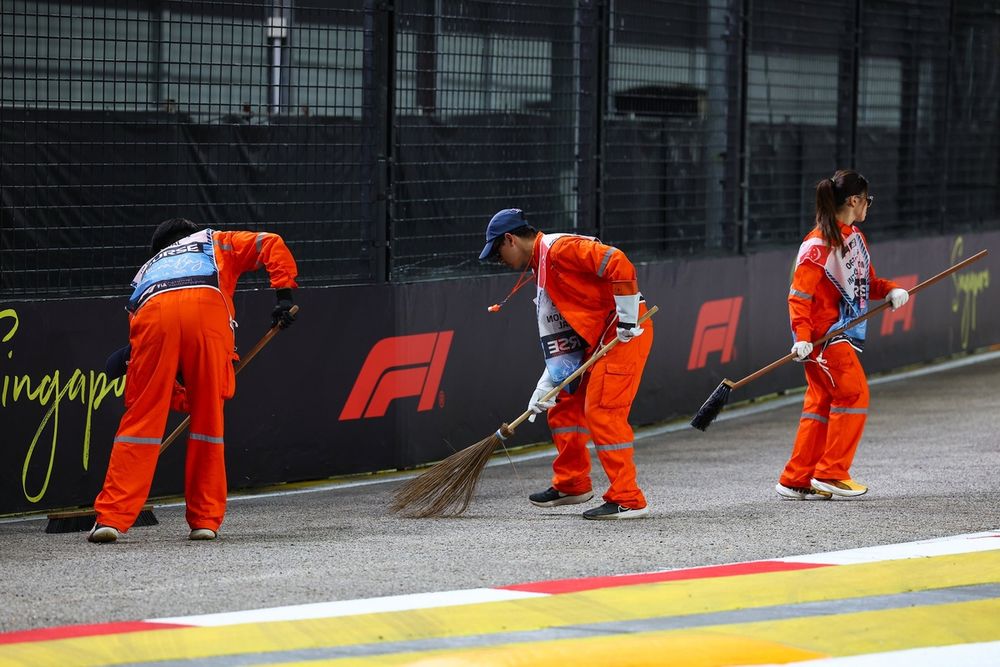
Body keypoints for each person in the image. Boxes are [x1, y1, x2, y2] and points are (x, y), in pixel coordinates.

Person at [88, 218, 298, 543]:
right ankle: (204, 522)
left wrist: (172, 389)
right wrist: (283, 295)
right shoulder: (216, 241)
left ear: (160, 249)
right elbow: (269, 243)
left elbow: (148, 343)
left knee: (141, 421)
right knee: (208, 424)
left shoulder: (148, 270)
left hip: (152, 317)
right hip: (207, 315)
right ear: (191, 234)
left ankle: (111, 519)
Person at [480, 208, 654, 519]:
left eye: (498, 252)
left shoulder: (561, 250)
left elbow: (617, 260)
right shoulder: (543, 267)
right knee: (564, 403)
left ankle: (628, 498)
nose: (499, 260)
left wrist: (628, 317)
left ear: (510, 239)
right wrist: (547, 383)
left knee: (602, 410)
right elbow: (564, 331)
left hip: (625, 332)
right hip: (596, 336)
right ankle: (572, 483)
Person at [777, 170, 908, 501]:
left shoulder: (854, 238)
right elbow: (799, 295)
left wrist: (891, 290)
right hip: (824, 338)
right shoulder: (818, 244)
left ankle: (797, 477)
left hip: (835, 335)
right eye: (867, 200)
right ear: (854, 201)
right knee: (853, 395)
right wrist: (802, 335)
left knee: (820, 403)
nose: (868, 206)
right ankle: (832, 473)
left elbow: (867, 283)